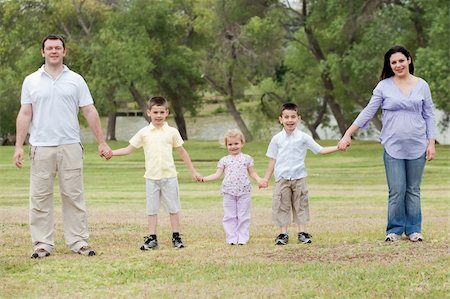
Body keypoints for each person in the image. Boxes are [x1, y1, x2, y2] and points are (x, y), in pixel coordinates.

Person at [13, 34, 112, 259]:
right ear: (43, 52)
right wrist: (19, 146)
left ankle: (79, 242)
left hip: (70, 146)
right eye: (50, 48)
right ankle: (42, 244)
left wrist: (102, 141)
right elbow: (25, 113)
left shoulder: (76, 80)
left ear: (64, 52)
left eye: (58, 48)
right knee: (39, 197)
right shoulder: (31, 81)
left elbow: (89, 111)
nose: (54, 51)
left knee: (73, 196)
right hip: (41, 147)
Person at [337, 45, 436, 242]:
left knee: (413, 190)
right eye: (393, 62)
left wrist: (430, 143)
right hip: (393, 146)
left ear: (409, 60)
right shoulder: (383, 86)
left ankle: (414, 229)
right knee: (397, 189)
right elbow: (368, 111)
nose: (398, 65)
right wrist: (348, 134)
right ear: (389, 65)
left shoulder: (422, 85)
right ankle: (395, 230)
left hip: (417, 145)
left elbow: (429, 115)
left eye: (401, 60)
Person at [111, 96, 201, 250]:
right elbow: (128, 149)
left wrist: (193, 171)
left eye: (161, 112)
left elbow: (182, 152)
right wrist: (111, 152)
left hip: (169, 176)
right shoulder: (144, 132)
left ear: (167, 113)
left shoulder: (172, 132)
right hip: (151, 177)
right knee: (152, 209)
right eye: (155, 112)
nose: (158, 115)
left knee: (173, 208)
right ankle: (152, 238)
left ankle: (176, 237)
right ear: (148, 113)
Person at [259, 103, 339, 245]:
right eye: (286, 117)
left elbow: (320, 150)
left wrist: (338, 147)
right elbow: (272, 160)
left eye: (293, 117)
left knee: (301, 204)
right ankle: (283, 234)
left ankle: (302, 233)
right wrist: (266, 178)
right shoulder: (277, 139)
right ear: (281, 119)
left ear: (299, 119)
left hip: (299, 177)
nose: (290, 120)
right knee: (282, 205)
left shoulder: (304, 137)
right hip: (282, 178)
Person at [199, 129, 263, 245]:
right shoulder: (224, 160)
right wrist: (204, 178)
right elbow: (217, 174)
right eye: (230, 144)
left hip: (244, 191)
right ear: (226, 145)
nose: (233, 147)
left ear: (242, 143)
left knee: (243, 216)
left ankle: (242, 238)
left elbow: (252, 173)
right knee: (230, 216)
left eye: (236, 143)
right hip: (228, 192)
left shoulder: (247, 158)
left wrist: (259, 180)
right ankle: (232, 238)